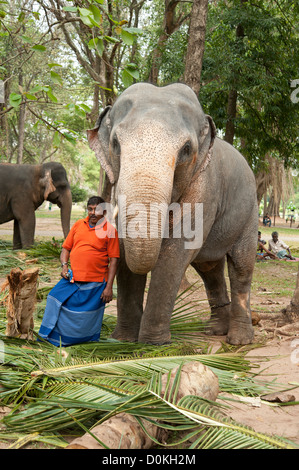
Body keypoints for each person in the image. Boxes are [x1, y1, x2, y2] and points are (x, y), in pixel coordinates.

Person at [38, 196, 120, 346]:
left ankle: (80, 341)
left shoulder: (110, 230)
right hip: (72, 278)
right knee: (53, 298)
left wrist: (109, 287)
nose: (93, 213)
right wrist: (64, 266)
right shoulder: (78, 224)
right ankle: (48, 337)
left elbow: (114, 260)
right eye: (90, 209)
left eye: (97, 210)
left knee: (85, 315)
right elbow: (65, 248)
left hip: (95, 282)